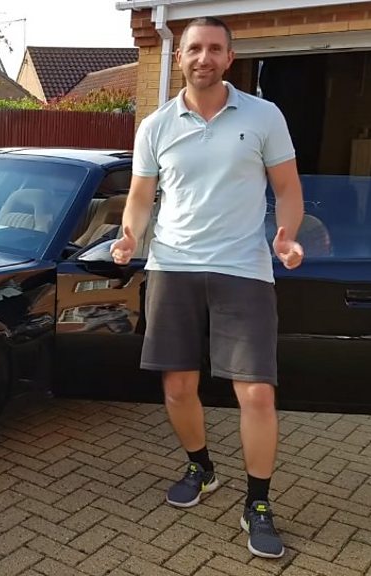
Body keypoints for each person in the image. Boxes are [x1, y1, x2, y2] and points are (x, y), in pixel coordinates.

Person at [110, 16, 304, 559]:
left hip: (244, 269)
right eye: (194, 48)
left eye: (215, 49)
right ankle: (201, 466)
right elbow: (141, 197)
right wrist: (130, 236)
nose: (204, 57)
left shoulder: (264, 116)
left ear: (229, 57)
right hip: (173, 267)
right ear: (180, 57)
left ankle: (258, 503)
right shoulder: (155, 126)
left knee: (257, 393)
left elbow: (288, 188)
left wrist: (287, 235)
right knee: (177, 387)